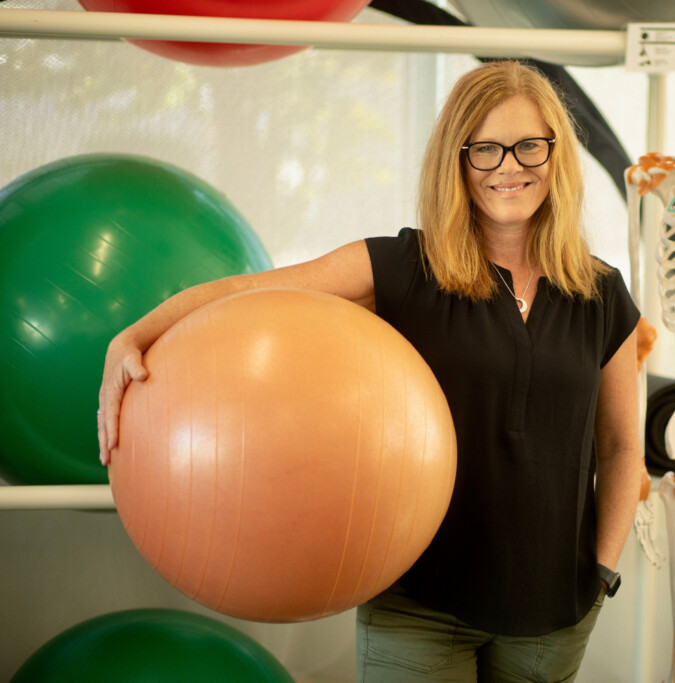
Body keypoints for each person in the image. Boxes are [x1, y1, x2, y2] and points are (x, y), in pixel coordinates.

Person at [97, 60, 642, 682]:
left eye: (528, 146)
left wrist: (600, 570)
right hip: (419, 605)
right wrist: (132, 336)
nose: (508, 167)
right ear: (456, 162)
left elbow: (624, 446)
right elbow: (247, 294)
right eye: (485, 149)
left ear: (557, 155)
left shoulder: (601, 292)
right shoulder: (403, 267)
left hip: (553, 612)